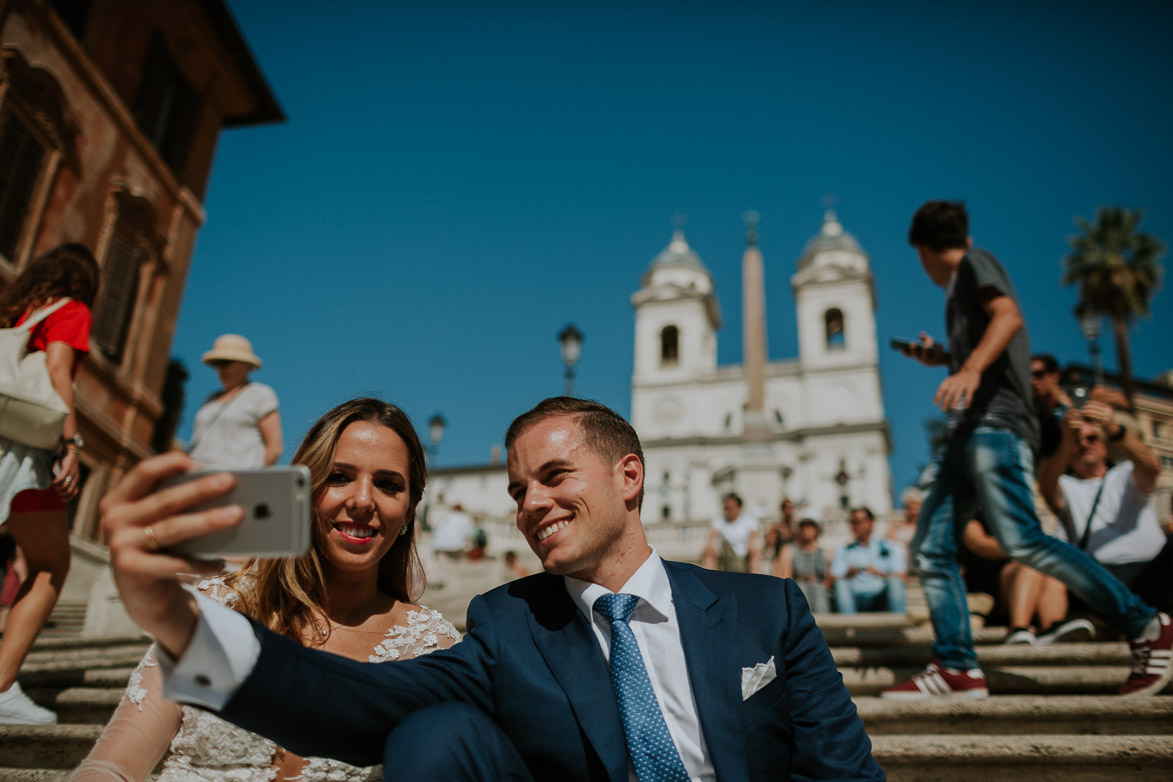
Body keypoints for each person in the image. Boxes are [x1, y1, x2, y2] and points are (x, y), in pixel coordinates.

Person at [100, 396, 885, 781]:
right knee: (430, 733)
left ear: (629, 476)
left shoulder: (765, 609)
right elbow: (352, 702)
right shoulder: (508, 625)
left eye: (552, 477)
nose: (531, 504)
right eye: (516, 492)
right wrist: (177, 622)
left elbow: (844, 776)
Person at [71, 398, 460, 780]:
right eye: (339, 477)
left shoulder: (432, 647)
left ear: (410, 509)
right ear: (303, 489)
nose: (362, 500)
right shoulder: (215, 607)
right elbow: (112, 766)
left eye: (388, 484)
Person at [885, 200, 1171, 700]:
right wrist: (944, 358)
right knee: (931, 548)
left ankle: (1147, 624)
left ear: (924, 250)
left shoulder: (975, 264)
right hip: (966, 434)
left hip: (994, 429)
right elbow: (996, 350)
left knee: (1023, 540)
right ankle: (956, 666)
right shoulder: (962, 292)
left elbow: (1008, 316)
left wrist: (969, 369)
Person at [0, 243, 98, 725]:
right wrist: (73, 445)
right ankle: (0, 687)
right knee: (49, 564)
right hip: (23, 452)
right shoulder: (72, 310)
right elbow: (59, 369)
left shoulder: (19, 310)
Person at [1037, 399, 1171, 614]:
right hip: (1100, 578)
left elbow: (1152, 465)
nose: (1084, 445)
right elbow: (1046, 486)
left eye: (1091, 438)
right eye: (1077, 442)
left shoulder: (1126, 472)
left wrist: (1114, 429)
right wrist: (1065, 439)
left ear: (1104, 444)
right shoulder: (1066, 485)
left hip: (1150, 570)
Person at [188, 334, 282, 469]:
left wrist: (254, 480)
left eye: (226, 362)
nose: (221, 369)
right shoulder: (210, 399)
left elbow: (275, 448)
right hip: (199, 476)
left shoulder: (260, 394)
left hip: (237, 481)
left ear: (245, 365)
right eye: (217, 363)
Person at [830, 508, 907, 614]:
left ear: (871, 523)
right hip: (855, 598)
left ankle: (899, 622)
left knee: (895, 581)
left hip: (881, 598)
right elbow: (833, 578)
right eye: (852, 522)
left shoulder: (888, 547)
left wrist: (879, 573)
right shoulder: (843, 550)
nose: (855, 526)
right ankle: (848, 626)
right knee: (841, 583)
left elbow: (902, 576)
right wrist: (848, 573)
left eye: (859, 522)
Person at [774, 518, 831, 614]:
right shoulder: (789, 551)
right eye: (803, 526)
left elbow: (829, 577)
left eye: (810, 525)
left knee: (820, 593)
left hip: (819, 590)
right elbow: (784, 577)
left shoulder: (826, 553)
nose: (806, 529)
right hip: (798, 587)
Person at [701, 492, 762, 573]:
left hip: (744, 556)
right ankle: (709, 580)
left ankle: (755, 580)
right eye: (726, 508)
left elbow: (753, 537)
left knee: (754, 552)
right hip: (727, 556)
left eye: (731, 508)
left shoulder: (749, 520)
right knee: (708, 553)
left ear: (739, 508)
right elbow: (713, 537)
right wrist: (710, 547)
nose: (728, 511)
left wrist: (751, 547)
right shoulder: (719, 521)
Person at [1030, 354, 1074, 462]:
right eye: (1029, 375)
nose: (1033, 380)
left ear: (1055, 375)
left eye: (1038, 374)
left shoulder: (1073, 402)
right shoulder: (1033, 411)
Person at [764, 497, 797, 565]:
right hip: (780, 559)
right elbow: (769, 545)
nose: (788, 510)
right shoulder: (776, 527)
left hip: (795, 559)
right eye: (786, 507)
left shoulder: (797, 526)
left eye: (791, 507)